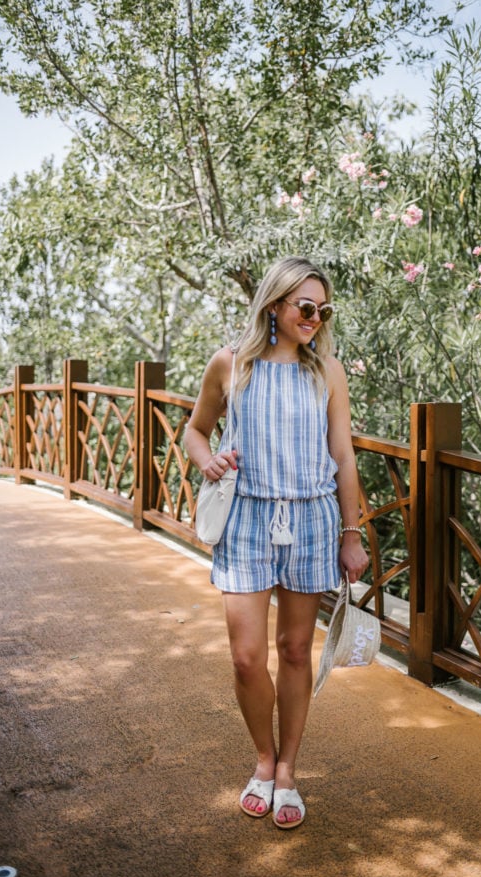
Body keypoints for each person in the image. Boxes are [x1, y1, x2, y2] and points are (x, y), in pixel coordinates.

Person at [184, 256, 369, 829]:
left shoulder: (327, 372)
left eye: (323, 309)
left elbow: (342, 457)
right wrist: (207, 461)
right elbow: (196, 430)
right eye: (305, 307)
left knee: (294, 651)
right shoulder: (230, 365)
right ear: (275, 305)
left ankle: (285, 770)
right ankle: (261, 760)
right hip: (245, 521)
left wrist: (352, 533)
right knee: (245, 659)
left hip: (312, 523)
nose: (315, 318)